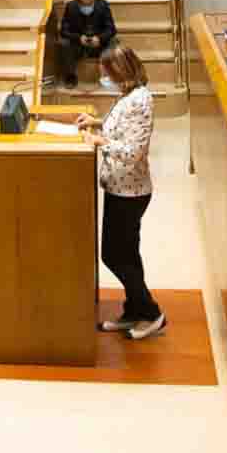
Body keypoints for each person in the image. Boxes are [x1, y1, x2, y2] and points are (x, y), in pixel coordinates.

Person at [76, 43, 163, 340]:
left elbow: (133, 151)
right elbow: (120, 127)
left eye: (107, 73)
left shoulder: (140, 100)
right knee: (126, 253)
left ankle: (151, 313)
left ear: (121, 72)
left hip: (131, 192)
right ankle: (134, 310)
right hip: (119, 187)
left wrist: (99, 142)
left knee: (115, 255)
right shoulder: (128, 95)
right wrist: (97, 123)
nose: (104, 77)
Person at [58, 0, 117, 85]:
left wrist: (100, 38)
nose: (86, 7)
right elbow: (63, 31)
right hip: (79, 44)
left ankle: (108, 75)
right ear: (78, 0)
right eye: (83, 4)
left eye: (89, 4)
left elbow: (111, 29)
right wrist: (78, 38)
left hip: (99, 43)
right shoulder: (71, 7)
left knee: (114, 42)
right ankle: (70, 77)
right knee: (65, 44)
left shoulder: (103, 6)